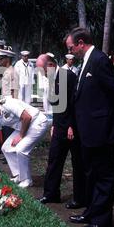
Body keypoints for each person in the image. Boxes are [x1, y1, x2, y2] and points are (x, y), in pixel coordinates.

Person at [66, 27, 114, 227]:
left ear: (81, 43)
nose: (71, 51)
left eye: (71, 47)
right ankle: (91, 212)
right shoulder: (86, 62)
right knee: (91, 175)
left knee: (103, 177)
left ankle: (102, 222)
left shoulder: (100, 60)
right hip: (88, 132)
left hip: (102, 132)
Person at [36, 54, 86, 208]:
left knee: (78, 163)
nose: (41, 73)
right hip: (59, 125)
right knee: (54, 160)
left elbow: (75, 102)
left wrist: (71, 125)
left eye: (42, 69)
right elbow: (56, 104)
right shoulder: (51, 78)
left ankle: (79, 198)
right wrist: (55, 125)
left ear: (50, 65)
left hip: (72, 127)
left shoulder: (68, 76)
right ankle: (51, 194)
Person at [0, 96, 49, 188]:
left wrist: (21, 136)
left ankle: (26, 180)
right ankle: (19, 175)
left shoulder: (7, 104)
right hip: (23, 127)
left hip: (37, 123)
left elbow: (27, 117)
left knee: (21, 149)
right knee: (6, 148)